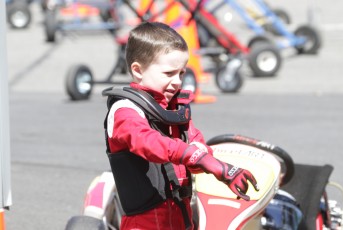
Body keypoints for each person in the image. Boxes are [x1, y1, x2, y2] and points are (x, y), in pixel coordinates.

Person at [103, 21, 259, 230]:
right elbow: (148, 143)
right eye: (169, 73)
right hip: (144, 223)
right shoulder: (125, 110)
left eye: (182, 73)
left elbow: (195, 145)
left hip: (181, 217)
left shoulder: (174, 108)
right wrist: (193, 155)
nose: (177, 81)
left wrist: (215, 165)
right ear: (138, 70)